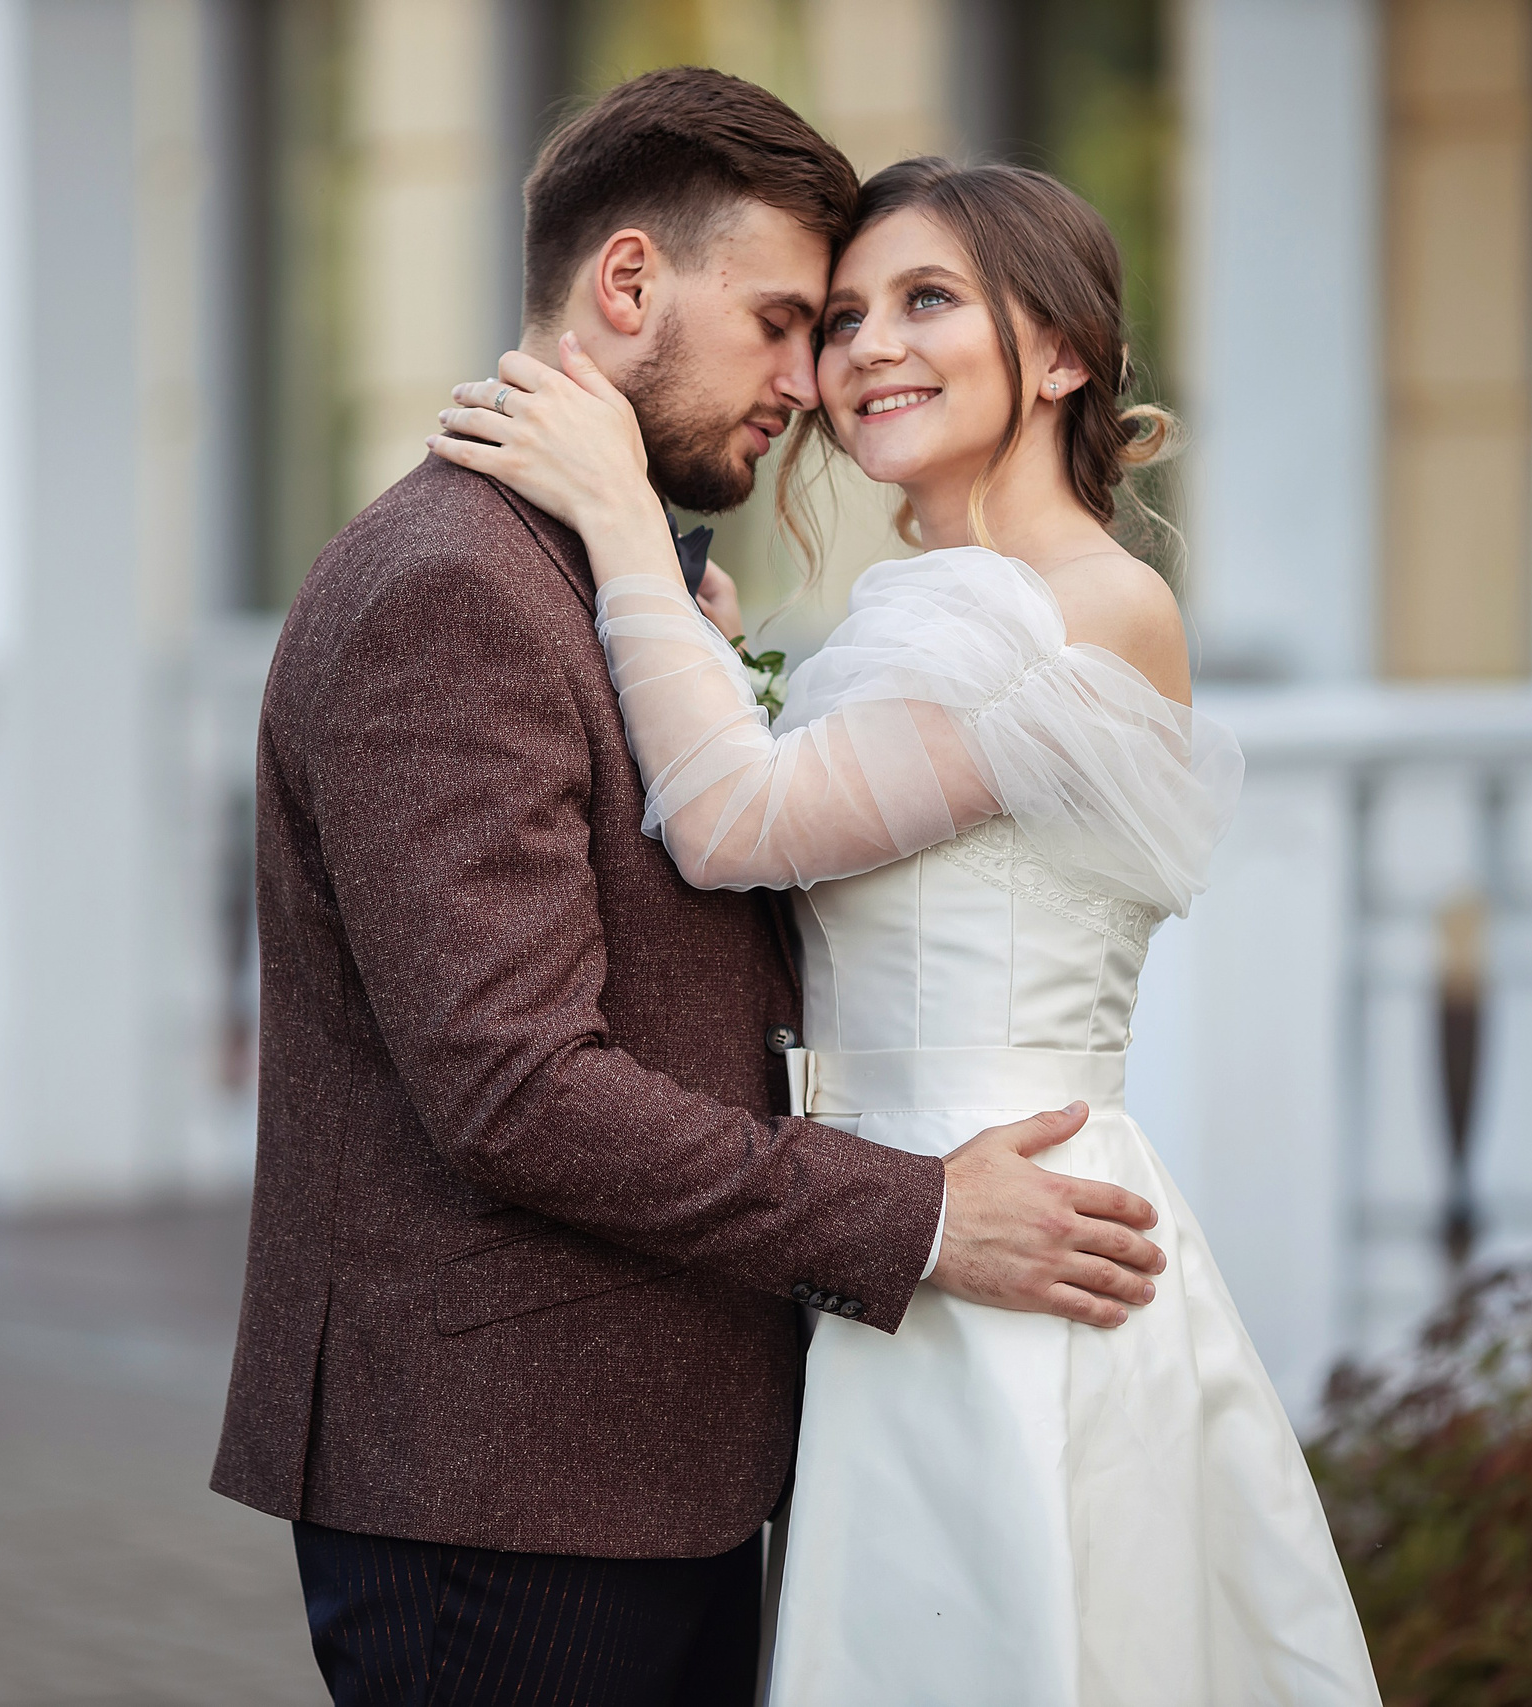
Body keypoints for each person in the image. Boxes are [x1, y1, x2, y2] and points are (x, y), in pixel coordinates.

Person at [213, 71, 1178, 1707]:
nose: (817, 381)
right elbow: (517, 1089)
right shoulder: (449, 589)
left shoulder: (595, 583)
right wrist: (924, 1214)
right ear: (633, 284)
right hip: (508, 1488)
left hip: (653, 1461)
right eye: (793, 321)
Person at [427, 156, 1381, 1702]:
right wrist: (709, 651)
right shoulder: (930, 604)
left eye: (927, 300)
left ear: (1059, 349)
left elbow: (735, 825)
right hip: (889, 1229)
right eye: (846, 313)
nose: (863, 347)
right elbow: (804, 824)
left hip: (1006, 1228)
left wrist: (619, 527)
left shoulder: (1078, 603)